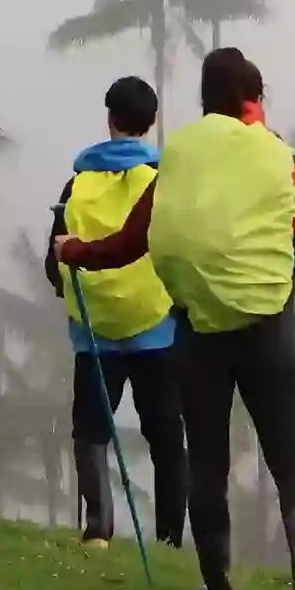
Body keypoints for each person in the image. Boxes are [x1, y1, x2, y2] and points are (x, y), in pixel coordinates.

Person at [55, 48, 295, 590]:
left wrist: (74, 251)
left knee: (207, 460)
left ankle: (217, 583)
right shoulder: (284, 160)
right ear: (254, 99)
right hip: (270, 327)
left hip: (198, 329)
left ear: (205, 98)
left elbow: (133, 241)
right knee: (290, 457)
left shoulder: (178, 158)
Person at [43, 75, 188, 551]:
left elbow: (54, 261)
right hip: (156, 328)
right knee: (166, 434)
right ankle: (168, 538)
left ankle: (98, 530)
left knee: (91, 431)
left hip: (94, 329)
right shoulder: (165, 182)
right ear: (151, 123)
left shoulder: (77, 183)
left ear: (109, 118)